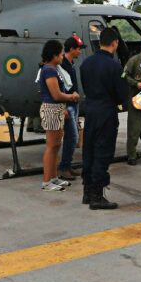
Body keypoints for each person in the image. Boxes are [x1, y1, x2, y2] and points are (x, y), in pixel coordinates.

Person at [80, 28, 128, 210]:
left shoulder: (86, 63)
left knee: (89, 152)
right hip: (106, 113)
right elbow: (121, 94)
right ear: (115, 43)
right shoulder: (115, 66)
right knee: (103, 153)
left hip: (90, 112)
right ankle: (97, 197)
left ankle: (87, 191)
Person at [37, 39, 80, 191]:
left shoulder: (52, 69)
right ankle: (46, 181)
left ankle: (53, 177)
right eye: (60, 54)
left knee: (56, 145)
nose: (62, 56)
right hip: (52, 109)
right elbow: (56, 95)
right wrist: (72, 97)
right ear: (54, 55)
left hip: (56, 109)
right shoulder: (49, 70)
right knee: (51, 145)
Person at [58, 35, 86, 181]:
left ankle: (67, 165)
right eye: (78, 48)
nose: (80, 51)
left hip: (73, 103)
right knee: (73, 137)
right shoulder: (62, 64)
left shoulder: (70, 63)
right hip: (67, 105)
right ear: (71, 49)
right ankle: (63, 168)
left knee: (71, 136)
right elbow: (60, 87)